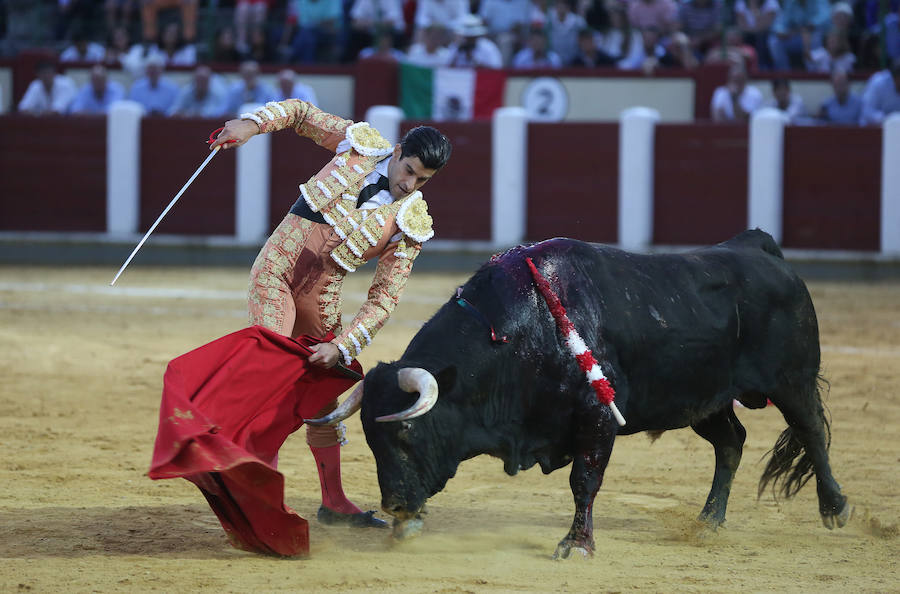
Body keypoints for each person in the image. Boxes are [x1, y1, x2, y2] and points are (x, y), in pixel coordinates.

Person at [208, 99, 452, 528]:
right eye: (409, 170)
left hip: (320, 303)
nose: (410, 184)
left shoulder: (409, 224)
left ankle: (334, 502)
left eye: (424, 180)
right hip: (275, 276)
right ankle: (257, 495)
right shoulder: (358, 145)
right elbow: (301, 114)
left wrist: (341, 347)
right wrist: (250, 124)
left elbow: (383, 299)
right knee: (273, 377)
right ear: (397, 152)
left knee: (321, 398)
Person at [861, 58, 900, 125]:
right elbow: (866, 112)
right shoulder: (878, 82)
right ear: (893, 77)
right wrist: (888, 120)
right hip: (876, 129)